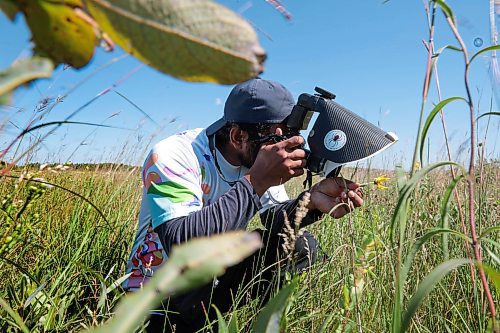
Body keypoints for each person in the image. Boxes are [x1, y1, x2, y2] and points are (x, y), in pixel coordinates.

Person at [124, 78, 363, 332]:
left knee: (299, 245)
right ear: (238, 136)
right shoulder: (173, 154)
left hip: (212, 278)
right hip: (159, 294)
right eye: (277, 140)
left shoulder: (256, 159)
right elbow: (182, 244)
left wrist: (312, 200)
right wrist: (257, 180)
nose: (285, 150)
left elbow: (274, 216)